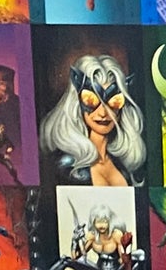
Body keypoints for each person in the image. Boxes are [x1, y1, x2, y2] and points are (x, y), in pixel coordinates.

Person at [39, 54, 147, 185]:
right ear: (77, 102)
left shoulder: (124, 165)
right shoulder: (66, 167)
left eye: (114, 101)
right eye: (91, 100)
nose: (103, 113)